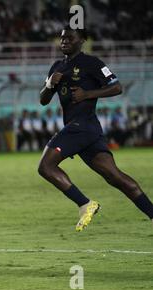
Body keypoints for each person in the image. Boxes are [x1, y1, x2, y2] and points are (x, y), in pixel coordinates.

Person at [38, 26, 153, 232]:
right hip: (85, 130)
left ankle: (84, 203)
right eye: (62, 39)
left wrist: (88, 94)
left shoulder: (91, 63)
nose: (64, 42)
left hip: (83, 126)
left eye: (69, 39)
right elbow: (43, 101)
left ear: (81, 41)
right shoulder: (57, 67)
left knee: (46, 167)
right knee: (115, 177)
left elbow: (117, 87)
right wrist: (48, 85)